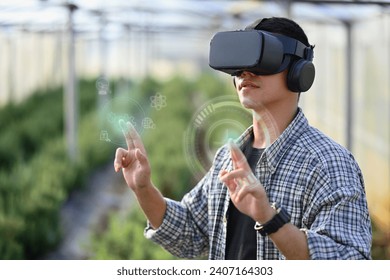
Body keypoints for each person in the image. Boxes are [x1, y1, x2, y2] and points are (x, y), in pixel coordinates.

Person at [114, 17, 372, 260]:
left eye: (263, 60)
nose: (246, 73)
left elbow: (349, 263)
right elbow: (189, 232)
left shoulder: (328, 164)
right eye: (240, 63)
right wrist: (144, 189)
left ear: (299, 72)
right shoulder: (229, 156)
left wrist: (270, 219)